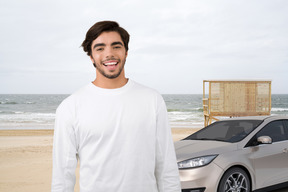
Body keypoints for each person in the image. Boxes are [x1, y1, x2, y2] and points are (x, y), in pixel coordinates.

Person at [51, 21, 181, 192]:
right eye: (100, 48)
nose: (109, 54)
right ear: (91, 56)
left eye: (116, 46)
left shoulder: (152, 100)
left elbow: (166, 167)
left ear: (126, 52)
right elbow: (62, 176)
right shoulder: (70, 107)